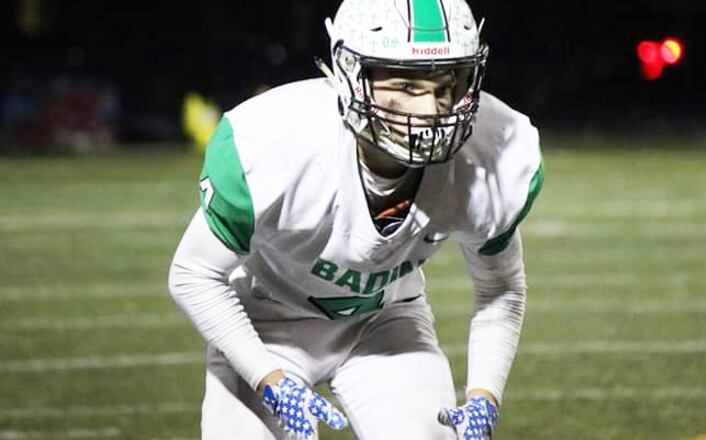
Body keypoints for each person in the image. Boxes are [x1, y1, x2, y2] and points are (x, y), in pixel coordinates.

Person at [168, 0, 544, 438]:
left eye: (447, 84)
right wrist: (267, 378)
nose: (431, 110)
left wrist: (485, 395)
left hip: (384, 323)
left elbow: (500, 287)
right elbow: (193, 274)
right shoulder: (273, 141)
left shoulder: (493, 152)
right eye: (406, 84)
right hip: (265, 322)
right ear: (350, 74)